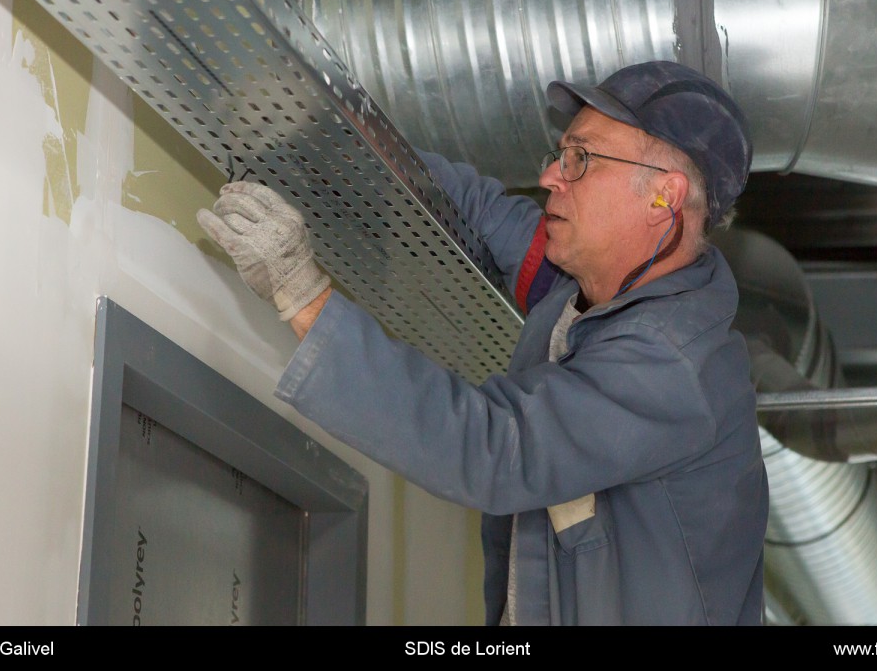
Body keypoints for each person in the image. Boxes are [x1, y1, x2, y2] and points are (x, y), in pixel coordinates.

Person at [197, 60, 768, 625]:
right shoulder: (586, 286)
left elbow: (495, 448)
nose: (551, 177)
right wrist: (342, 136)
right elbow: (475, 210)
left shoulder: (675, 364)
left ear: (663, 198)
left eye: (581, 160)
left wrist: (301, 293)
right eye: (560, 155)